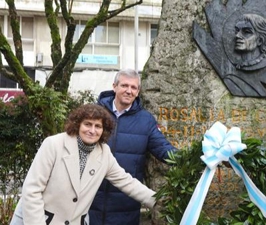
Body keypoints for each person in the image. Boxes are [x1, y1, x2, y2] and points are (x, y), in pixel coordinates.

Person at [10, 104, 156, 225]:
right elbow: (32, 190)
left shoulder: (104, 153)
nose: (92, 131)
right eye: (88, 124)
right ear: (77, 124)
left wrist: (159, 201)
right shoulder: (53, 144)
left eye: (98, 126)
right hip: (35, 220)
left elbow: (128, 182)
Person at [89, 69, 176, 225]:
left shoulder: (146, 120)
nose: (129, 91)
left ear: (138, 92)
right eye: (124, 86)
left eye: (134, 87)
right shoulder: (94, 114)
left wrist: (198, 159)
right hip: (91, 200)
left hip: (126, 204)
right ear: (114, 86)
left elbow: (164, 150)